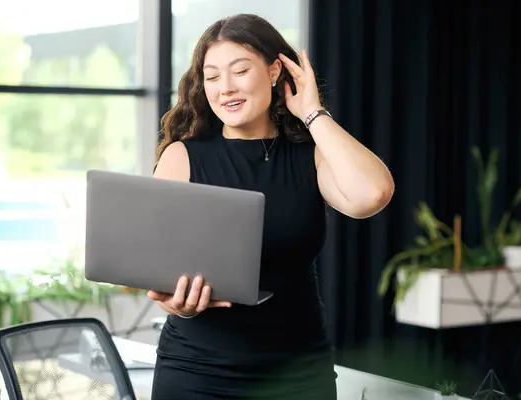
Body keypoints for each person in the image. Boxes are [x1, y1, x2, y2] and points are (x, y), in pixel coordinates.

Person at [148, 13, 394, 400]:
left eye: (240, 71)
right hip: (198, 373)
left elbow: (372, 196)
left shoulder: (310, 156)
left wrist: (313, 112)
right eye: (212, 77)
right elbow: (159, 267)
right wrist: (177, 304)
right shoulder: (182, 157)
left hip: (298, 374)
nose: (225, 88)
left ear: (275, 70)